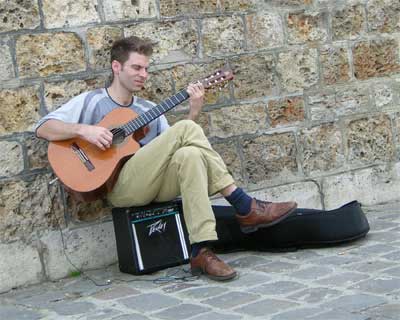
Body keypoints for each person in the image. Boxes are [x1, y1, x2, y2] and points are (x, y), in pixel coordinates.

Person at [35, 36, 297, 281]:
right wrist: (85, 130)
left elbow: (177, 143)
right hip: (120, 188)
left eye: (146, 69)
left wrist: (193, 111)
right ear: (116, 66)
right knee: (185, 133)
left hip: (155, 184)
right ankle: (244, 204)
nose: (143, 75)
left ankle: (201, 251)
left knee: (190, 153)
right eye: (136, 68)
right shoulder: (91, 101)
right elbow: (43, 128)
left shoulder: (149, 110)